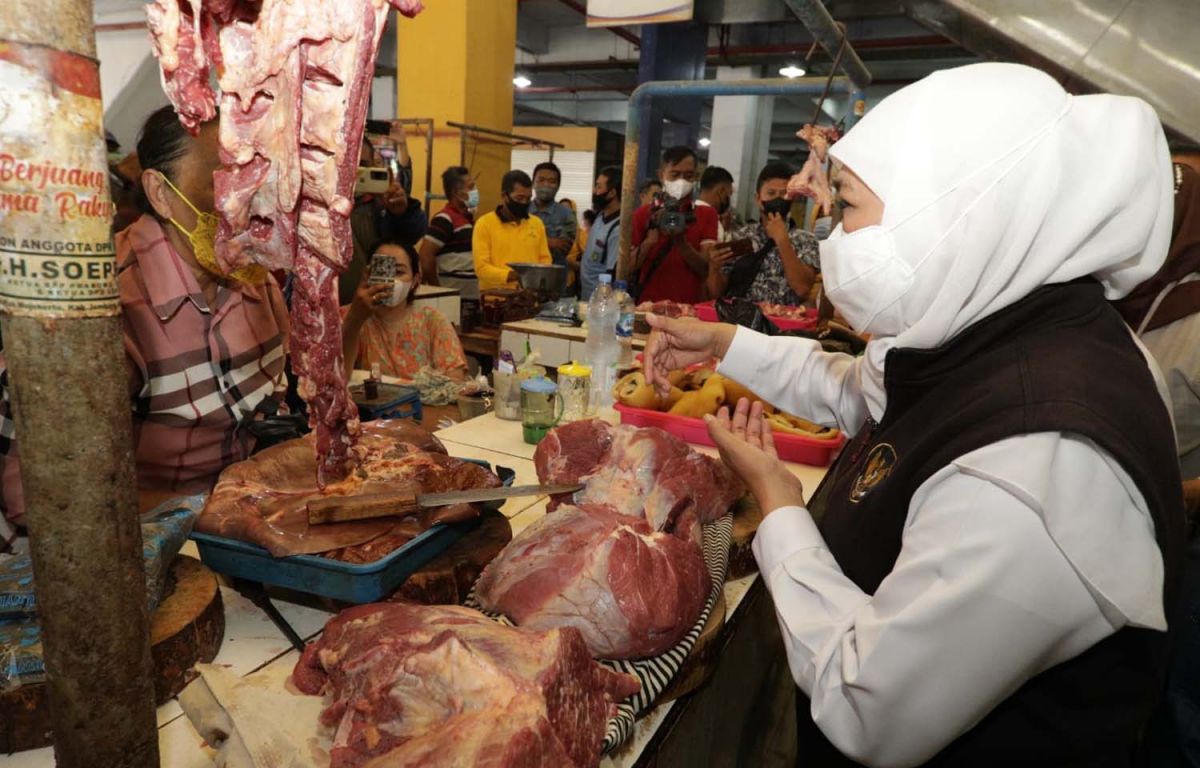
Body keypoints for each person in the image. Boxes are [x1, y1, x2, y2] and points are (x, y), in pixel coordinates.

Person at [643, 63, 1183, 766]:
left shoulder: (1041, 466)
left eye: (847, 208)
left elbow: (867, 703)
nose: (835, 238)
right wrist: (724, 343)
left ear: (954, 211)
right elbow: (859, 389)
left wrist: (779, 508)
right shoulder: (1003, 323)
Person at [0, 105, 290, 517]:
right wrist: (211, 511)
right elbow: (44, 500)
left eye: (256, 181)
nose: (249, 206)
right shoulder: (101, 308)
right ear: (161, 194)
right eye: (226, 181)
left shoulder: (257, 282)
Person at [341, 241, 467, 383]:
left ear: (415, 280)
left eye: (399, 272)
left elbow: (456, 381)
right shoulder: (346, 316)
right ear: (368, 274)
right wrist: (355, 319)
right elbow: (334, 378)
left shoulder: (432, 321)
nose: (390, 281)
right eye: (381, 271)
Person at [707, 161, 819, 305]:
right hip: (738, 321)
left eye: (784, 194)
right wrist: (714, 268)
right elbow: (716, 293)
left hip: (782, 323)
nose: (778, 199)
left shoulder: (806, 240)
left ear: (792, 198)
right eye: (771, 193)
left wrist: (782, 240)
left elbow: (802, 288)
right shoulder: (741, 236)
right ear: (758, 199)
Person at [340, 125, 428, 304]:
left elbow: (411, 234)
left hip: (375, 308)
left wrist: (402, 212)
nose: (355, 172)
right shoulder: (313, 205)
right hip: (322, 312)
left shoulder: (382, 206)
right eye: (349, 164)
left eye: (363, 165)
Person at [630, 146, 719, 304]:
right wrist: (649, 242)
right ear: (661, 174)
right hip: (649, 307)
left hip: (690, 310)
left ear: (696, 177)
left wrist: (681, 241)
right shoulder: (643, 215)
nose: (681, 181)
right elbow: (627, 268)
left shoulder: (707, 215)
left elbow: (704, 270)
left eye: (688, 175)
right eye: (675, 174)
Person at [472, 170, 551, 291]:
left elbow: (545, 259)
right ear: (504, 196)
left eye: (528, 198)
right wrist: (515, 276)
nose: (524, 203)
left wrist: (537, 276)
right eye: (519, 198)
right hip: (495, 301)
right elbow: (482, 268)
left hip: (531, 298)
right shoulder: (484, 224)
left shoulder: (537, 224)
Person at [418, 166, 479, 299]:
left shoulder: (468, 220)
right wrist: (437, 290)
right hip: (451, 299)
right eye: (471, 187)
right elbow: (425, 255)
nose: (475, 191)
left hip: (469, 299)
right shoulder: (444, 219)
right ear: (457, 192)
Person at [580, 166, 622, 300]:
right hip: (585, 296)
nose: (594, 191)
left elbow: (612, 273)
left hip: (600, 301)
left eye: (598, 187)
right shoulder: (600, 216)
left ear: (611, 193)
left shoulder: (618, 228)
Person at [530, 161, 578, 269]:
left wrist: (529, 240)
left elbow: (562, 248)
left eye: (551, 181)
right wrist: (549, 242)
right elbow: (514, 242)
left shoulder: (567, 215)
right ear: (533, 183)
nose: (546, 185)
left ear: (558, 186)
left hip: (553, 277)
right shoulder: (522, 211)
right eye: (541, 180)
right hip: (523, 276)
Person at [696, 165, 734, 242]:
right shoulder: (713, 221)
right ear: (721, 191)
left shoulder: (688, 211)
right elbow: (724, 252)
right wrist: (726, 231)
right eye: (729, 194)